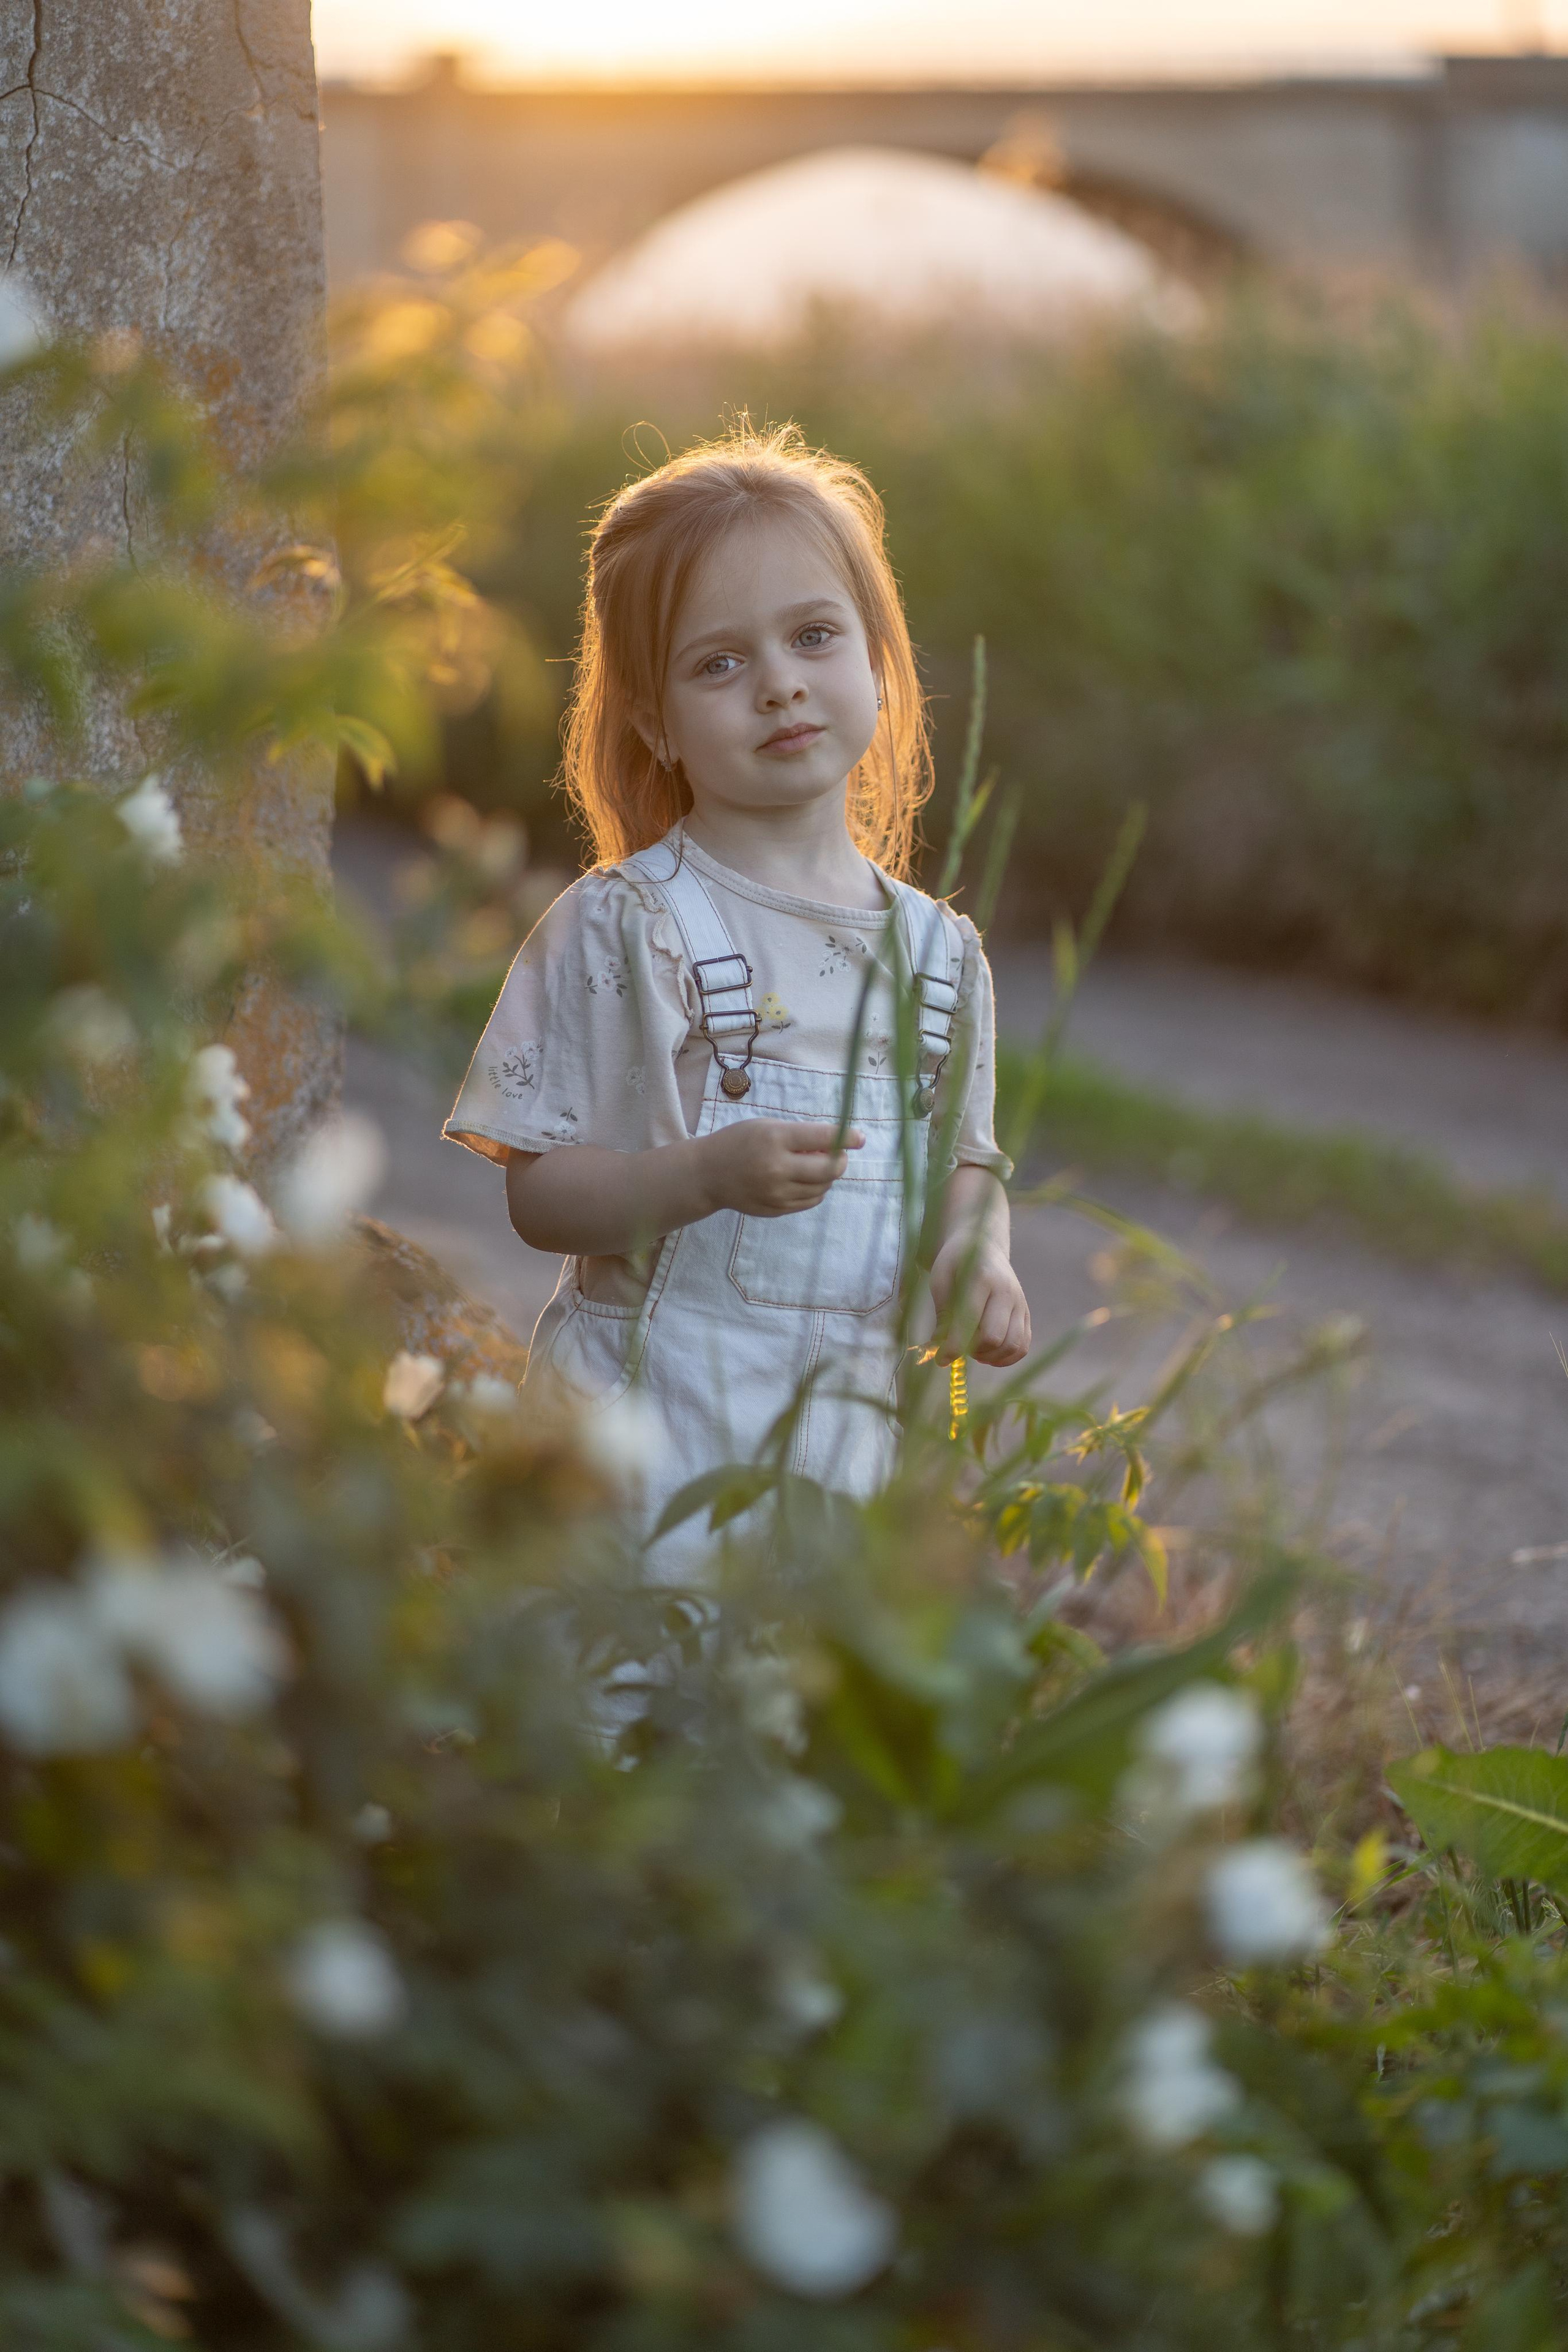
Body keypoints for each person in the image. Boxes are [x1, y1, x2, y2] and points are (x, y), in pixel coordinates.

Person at [443, 424, 1030, 1579]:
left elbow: (964, 1168)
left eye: (815, 635)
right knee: (626, 1731)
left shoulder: (940, 957)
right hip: (642, 1451)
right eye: (719, 663)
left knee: (790, 1730)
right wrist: (701, 1179)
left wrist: (978, 1258)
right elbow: (543, 1194)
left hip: (841, 1466)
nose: (779, 684)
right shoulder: (629, 926)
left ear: (878, 660)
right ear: (654, 719)